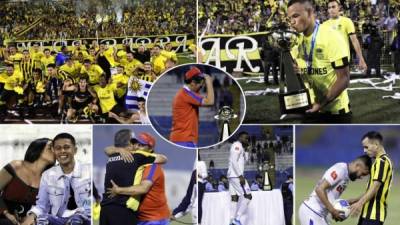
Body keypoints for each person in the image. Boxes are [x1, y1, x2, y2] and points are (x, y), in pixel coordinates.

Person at [287, 0, 352, 123]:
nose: (292, 22)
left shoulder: (331, 36)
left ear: (310, 13)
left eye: (295, 16)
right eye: (289, 18)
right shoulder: (296, 41)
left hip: (335, 112)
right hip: (309, 108)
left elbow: (344, 79)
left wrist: (320, 104)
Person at [100, 129, 167, 225]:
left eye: (141, 145)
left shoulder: (111, 156)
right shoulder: (138, 156)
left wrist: (118, 149)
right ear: (129, 143)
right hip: (122, 211)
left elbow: (106, 149)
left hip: (105, 210)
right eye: (134, 142)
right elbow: (164, 159)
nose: (136, 146)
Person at [22, 133, 91, 225]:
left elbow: (92, 201)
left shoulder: (89, 171)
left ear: (75, 150)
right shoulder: (47, 175)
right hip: (58, 220)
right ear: (54, 151)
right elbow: (42, 205)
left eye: (66, 147)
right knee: (42, 220)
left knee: (76, 220)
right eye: (58, 148)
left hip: (83, 218)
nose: (62, 151)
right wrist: (32, 215)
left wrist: (82, 214)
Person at [298, 155, 371, 225]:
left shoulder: (346, 176)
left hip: (320, 215)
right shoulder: (341, 169)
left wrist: (364, 196)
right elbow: (319, 189)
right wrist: (333, 211)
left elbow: (332, 199)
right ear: (358, 166)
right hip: (312, 212)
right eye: (363, 174)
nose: (361, 177)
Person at [0, 138, 55, 225]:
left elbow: (46, 207)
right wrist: (6, 213)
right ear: (38, 149)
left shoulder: (49, 178)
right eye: (50, 147)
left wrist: (32, 218)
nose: (55, 151)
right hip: (3, 217)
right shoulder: (16, 166)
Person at [350, 131, 393, 225]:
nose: (364, 151)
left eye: (366, 147)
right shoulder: (379, 161)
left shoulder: (382, 161)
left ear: (376, 144)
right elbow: (372, 189)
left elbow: (375, 187)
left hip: (374, 214)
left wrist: (359, 203)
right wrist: (355, 200)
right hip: (368, 213)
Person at [169, 66, 214, 148]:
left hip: (180, 139)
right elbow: (210, 101)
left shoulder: (184, 93)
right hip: (185, 140)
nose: (201, 86)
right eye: (201, 84)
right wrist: (209, 82)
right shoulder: (187, 94)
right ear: (193, 82)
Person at [323, 0, 367, 71]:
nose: (331, 9)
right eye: (329, 7)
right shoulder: (324, 25)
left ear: (339, 8)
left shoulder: (347, 21)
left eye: (333, 7)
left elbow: (354, 41)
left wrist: (361, 58)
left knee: (343, 81)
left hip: (342, 59)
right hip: (328, 61)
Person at [227, 131, 252, 225]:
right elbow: (233, 161)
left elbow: (246, 161)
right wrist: (240, 176)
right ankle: (237, 219)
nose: (247, 140)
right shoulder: (236, 145)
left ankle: (231, 220)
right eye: (246, 138)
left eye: (248, 138)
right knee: (248, 196)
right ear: (240, 138)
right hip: (236, 175)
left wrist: (247, 150)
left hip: (233, 175)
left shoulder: (241, 147)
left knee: (234, 198)